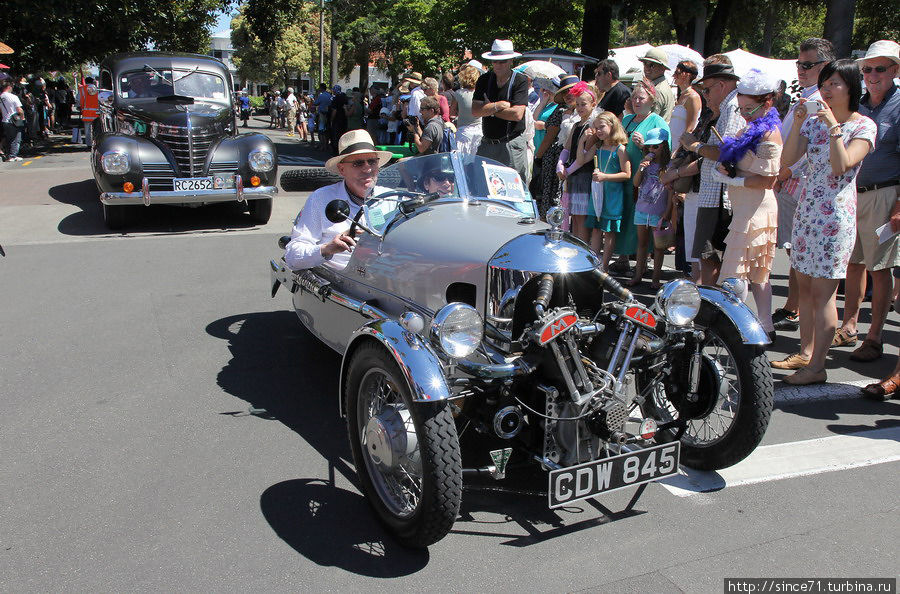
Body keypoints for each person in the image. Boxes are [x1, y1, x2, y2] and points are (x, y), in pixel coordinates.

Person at [772, 59, 877, 385]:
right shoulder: (814, 123)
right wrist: (800, 119)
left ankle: (818, 366)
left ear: (851, 89)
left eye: (835, 84)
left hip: (835, 216)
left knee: (824, 293)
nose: (827, 89)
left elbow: (841, 165)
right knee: (804, 289)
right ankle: (805, 354)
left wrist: (833, 126)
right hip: (808, 210)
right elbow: (787, 159)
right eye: (825, 83)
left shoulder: (863, 126)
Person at [834, 40, 900, 364]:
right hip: (852, 193)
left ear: (895, 70)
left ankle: (874, 336)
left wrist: (899, 206)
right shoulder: (859, 103)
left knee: (880, 268)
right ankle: (849, 326)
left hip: (884, 194)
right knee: (853, 262)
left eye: (880, 68)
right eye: (868, 69)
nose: (872, 74)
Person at [712, 69, 784, 340]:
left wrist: (736, 181)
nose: (744, 114)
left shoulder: (769, 133)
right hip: (746, 206)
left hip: (756, 208)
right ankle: (764, 326)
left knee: (738, 272)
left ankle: (740, 328)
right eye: (741, 108)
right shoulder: (749, 127)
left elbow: (768, 178)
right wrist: (727, 167)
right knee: (755, 272)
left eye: (749, 109)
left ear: (767, 103)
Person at [772, 38, 835, 333]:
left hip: (802, 181)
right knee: (794, 249)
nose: (801, 69)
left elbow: (813, 147)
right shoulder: (806, 95)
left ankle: (795, 308)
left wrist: (785, 172)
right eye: (799, 64)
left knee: (800, 251)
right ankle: (793, 306)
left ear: (824, 66)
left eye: (808, 65)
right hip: (791, 178)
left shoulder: (821, 99)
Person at [284, 129, 393, 271]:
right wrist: (328, 248)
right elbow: (292, 257)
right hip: (339, 283)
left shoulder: (392, 199)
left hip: (386, 279)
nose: (367, 169)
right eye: (358, 163)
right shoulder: (321, 199)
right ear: (342, 169)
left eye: (372, 161)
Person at [680, 61, 744, 285]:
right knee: (708, 257)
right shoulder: (726, 108)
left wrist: (694, 145)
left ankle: (711, 309)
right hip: (713, 193)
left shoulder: (731, 108)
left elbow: (724, 151)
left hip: (718, 196)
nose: (704, 95)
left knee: (710, 257)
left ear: (722, 86)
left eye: (706, 89)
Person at [615, 78, 670, 270]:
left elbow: (666, 151)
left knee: (642, 219)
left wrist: (642, 147)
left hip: (646, 179)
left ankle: (643, 261)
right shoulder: (628, 119)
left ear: (651, 101)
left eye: (641, 98)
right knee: (626, 215)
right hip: (625, 173)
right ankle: (623, 257)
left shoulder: (657, 121)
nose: (637, 101)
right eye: (634, 98)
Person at [472, 39, 530, 185]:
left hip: (511, 143)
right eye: (495, 61)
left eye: (502, 61)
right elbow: (475, 111)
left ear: (511, 61)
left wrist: (489, 108)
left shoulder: (520, 80)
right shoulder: (484, 79)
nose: (498, 65)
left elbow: (517, 115)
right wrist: (498, 106)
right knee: (481, 185)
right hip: (487, 143)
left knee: (515, 188)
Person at [581, 110, 630, 271]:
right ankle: (593, 264)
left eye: (601, 127)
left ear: (612, 126)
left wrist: (605, 177)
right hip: (598, 193)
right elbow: (582, 159)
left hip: (613, 194)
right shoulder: (598, 146)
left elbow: (627, 174)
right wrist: (583, 139)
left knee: (608, 231)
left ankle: (604, 266)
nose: (598, 131)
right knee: (596, 228)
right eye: (596, 128)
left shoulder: (620, 149)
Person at [556, 82, 599, 243]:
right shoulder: (576, 125)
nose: (580, 108)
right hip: (572, 175)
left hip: (583, 175)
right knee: (573, 216)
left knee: (581, 219)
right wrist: (560, 164)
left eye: (584, 104)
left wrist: (568, 170)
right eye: (578, 104)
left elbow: (585, 156)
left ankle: (582, 250)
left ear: (593, 104)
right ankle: (575, 247)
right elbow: (567, 148)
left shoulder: (592, 127)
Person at [629, 128, 672, 287]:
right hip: (642, 209)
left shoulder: (669, 165)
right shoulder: (645, 163)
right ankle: (638, 275)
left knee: (658, 248)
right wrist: (641, 168)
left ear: (664, 146)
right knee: (641, 244)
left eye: (656, 146)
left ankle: (656, 279)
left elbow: (670, 192)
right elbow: (635, 183)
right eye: (649, 147)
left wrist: (667, 212)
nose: (651, 150)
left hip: (658, 212)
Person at [538, 75, 578, 222]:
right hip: (556, 157)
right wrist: (539, 156)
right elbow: (550, 134)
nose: (568, 95)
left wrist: (539, 155)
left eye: (571, 91)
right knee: (550, 193)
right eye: (564, 92)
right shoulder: (560, 111)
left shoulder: (584, 112)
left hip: (571, 157)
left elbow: (550, 135)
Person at [530, 77, 561, 216]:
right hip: (536, 146)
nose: (547, 89)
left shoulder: (558, 108)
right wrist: (543, 101)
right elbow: (534, 118)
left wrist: (541, 125)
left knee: (542, 187)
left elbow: (548, 126)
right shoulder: (548, 104)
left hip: (546, 150)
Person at [449, 65, 483, 155]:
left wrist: (460, 112)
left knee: (462, 163)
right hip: (479, 131)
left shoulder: (458, 93)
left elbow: (451, 112)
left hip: (464, 132)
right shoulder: (482, 93)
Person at [640, 47, 676, 122]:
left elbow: (648, 121)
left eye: (652, 65)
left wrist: (630, 111)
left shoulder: (657, 90)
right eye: (645, 63)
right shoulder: (662, 86)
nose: (647, 68)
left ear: (663, 68)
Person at [1, 80, 24, 161]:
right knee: (16, 138)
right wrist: (22, 117)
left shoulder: (1, 97)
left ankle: (8, 154)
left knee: (8, 138)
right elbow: (19, 110)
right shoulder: (13, 97)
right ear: (9, 87)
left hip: (5, 120)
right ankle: (13, 155)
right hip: (14, 121)